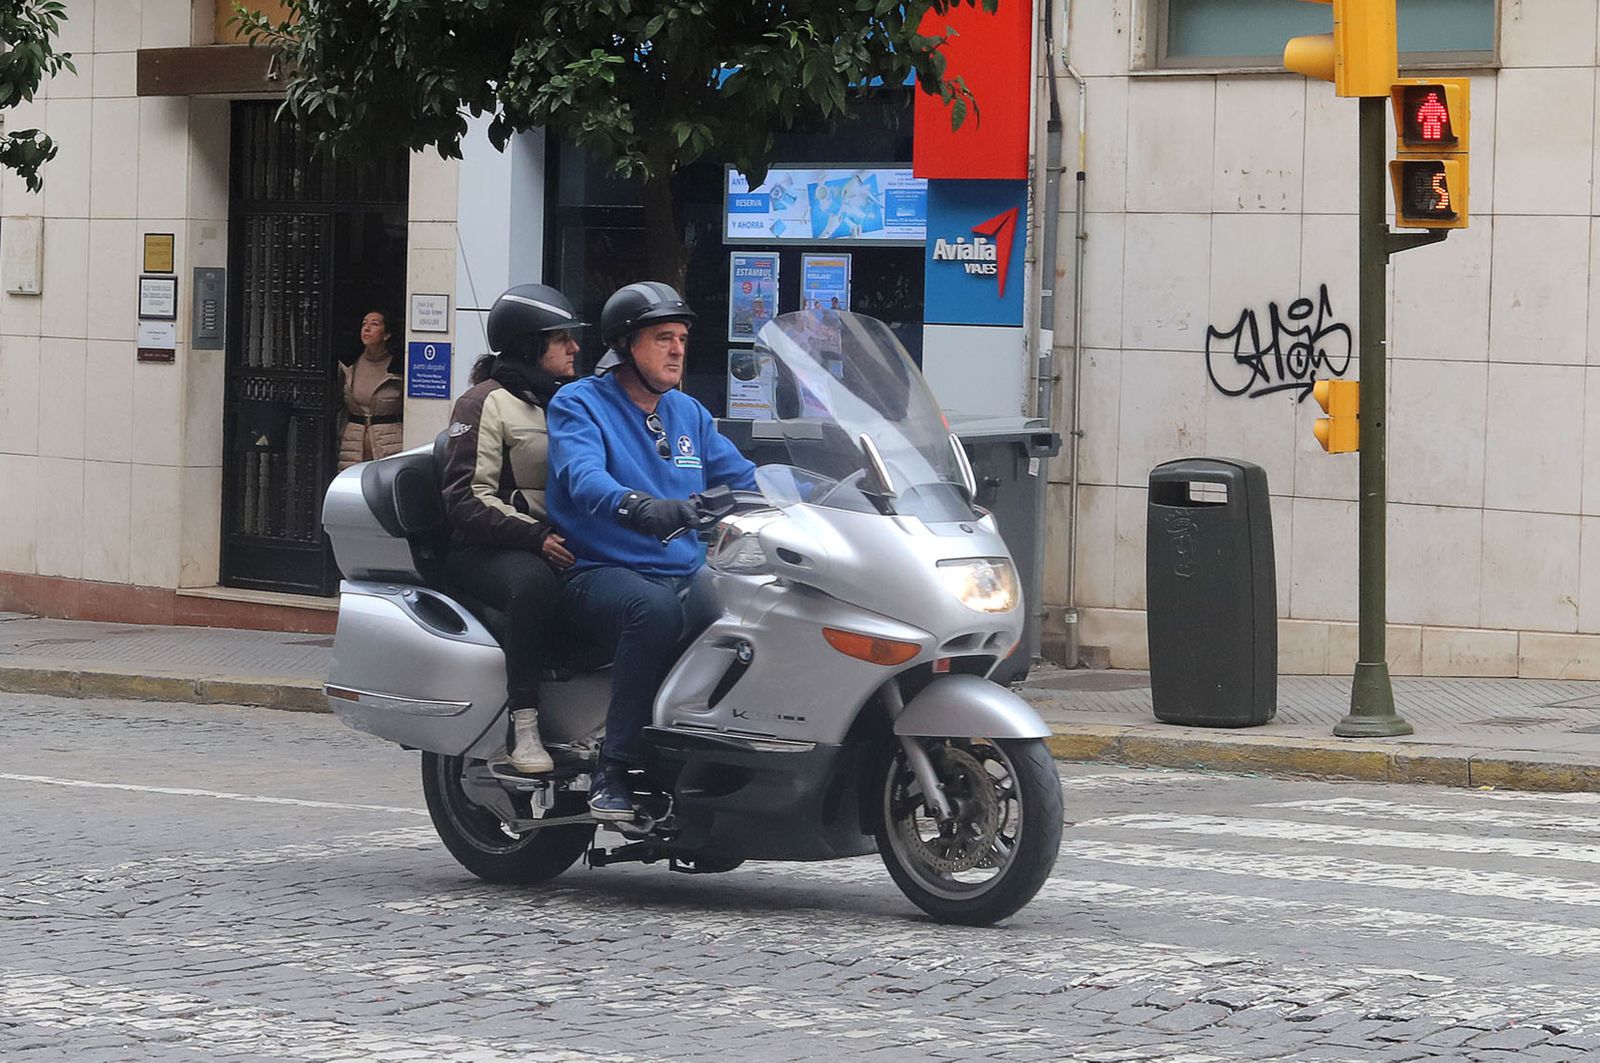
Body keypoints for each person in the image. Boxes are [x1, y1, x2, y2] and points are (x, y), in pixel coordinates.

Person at [546, 281, 757, 819]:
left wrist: (832, 492)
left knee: (748, 618)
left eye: (682, 338)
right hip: (599, 570)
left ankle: (702, 757)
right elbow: (583, 478)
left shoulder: (688, 413)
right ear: (624, 344)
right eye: (663, 338)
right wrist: (640, 507)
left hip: (683, 570)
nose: (678, 350)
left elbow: (748, 478)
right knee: (653, 611)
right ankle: (612, 768)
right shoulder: (580, 403)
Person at [440, 283, 585, 774]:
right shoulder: (484, 402)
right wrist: (535, 537)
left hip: (559, 542)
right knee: (533, 585)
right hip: (488, 547)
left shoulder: (570, 401)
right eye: (561, 338)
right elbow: (465, 498)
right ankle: (523, 723)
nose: (574, 348)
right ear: (530, 344)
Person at [337, 310, 404, 472]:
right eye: (364, 324)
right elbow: (339, 403)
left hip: (389, 442)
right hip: (353, 443)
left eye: (374, 324)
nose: (366, 329)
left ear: (386, 335)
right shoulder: (350, 364)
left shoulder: (397, 367)